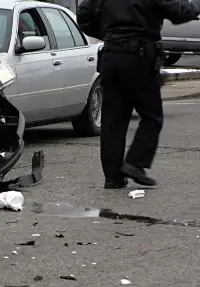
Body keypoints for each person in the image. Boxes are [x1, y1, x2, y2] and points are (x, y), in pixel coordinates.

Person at [77, 0, 200, 188]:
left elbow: (83, 16)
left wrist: (108, 34)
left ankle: (113, 177)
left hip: (112, 55)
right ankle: (135, 163)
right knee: (152, 117)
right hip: (140, 57)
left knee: (113, 120)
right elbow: (180, 11)